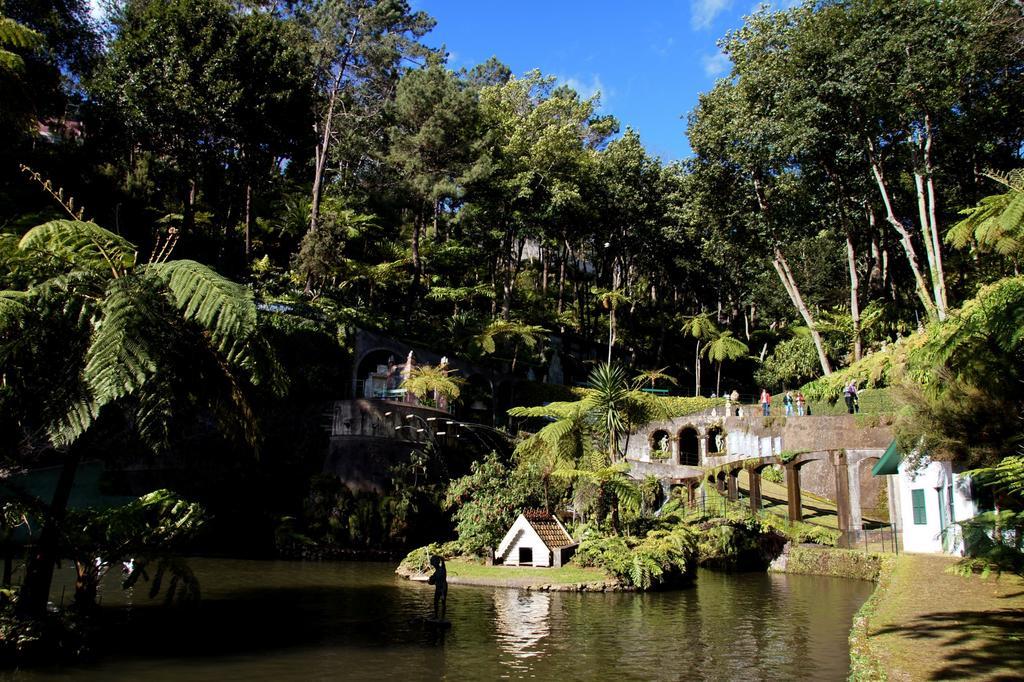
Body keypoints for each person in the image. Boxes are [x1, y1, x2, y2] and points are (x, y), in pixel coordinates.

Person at [428, 554, 448, 621]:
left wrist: (442, 593)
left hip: (443, 588)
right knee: (436, 602)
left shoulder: (442, 569)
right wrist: (431, 580)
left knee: (442, 602)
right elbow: (432, 582)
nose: (433, 565)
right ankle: (437, 616)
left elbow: (442, 583)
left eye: (433, 563)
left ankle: (442, 617)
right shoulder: (437, 571)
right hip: (438, 588)